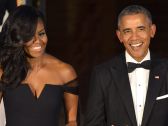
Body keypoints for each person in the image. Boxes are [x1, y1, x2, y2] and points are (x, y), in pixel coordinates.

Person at [85, 5, 168, 126]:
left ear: (152, 31)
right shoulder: (102, 74)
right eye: (127, 31)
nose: (134, 37)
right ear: (119, 36)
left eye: (140, 29)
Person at [0, 5, 78, 126]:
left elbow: (72, 121)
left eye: (41, 33)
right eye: (30, 35)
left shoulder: (66, 72)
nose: (38, 41)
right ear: (18, 37)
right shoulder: (4, 71)